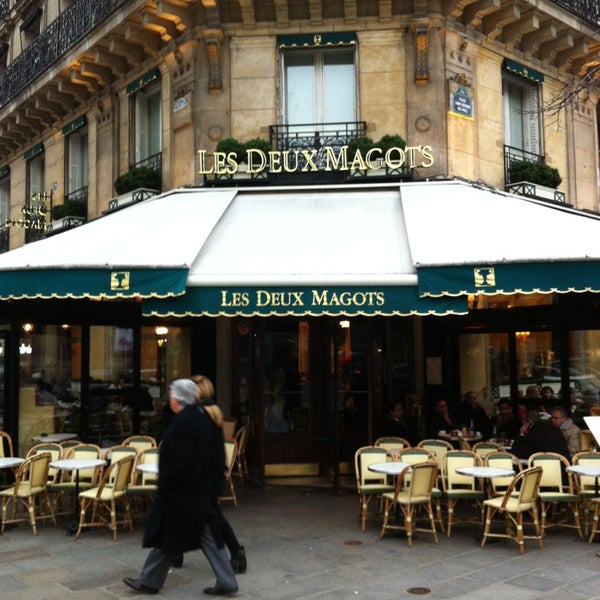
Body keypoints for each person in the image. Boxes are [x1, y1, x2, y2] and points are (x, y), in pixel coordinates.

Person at [123, 379, 238, 596]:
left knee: (170, 537)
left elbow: (176, 462)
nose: (170, 399)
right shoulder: (206, 418)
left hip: (183, 493)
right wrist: (213, 488)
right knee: (203, 538)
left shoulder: (182, 423)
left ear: (177, 400)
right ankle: (226, 580)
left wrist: (166, 484)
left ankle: (149, 580)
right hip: (201, 492)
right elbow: (217, 456)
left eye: (172, 395)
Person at [172, 375, 247, 574]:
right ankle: (177, 553)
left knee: (211, 516)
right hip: (211, 473)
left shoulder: (201, 413)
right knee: (203, 514)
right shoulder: (211, 411)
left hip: (204, 474)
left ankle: (235, 553)